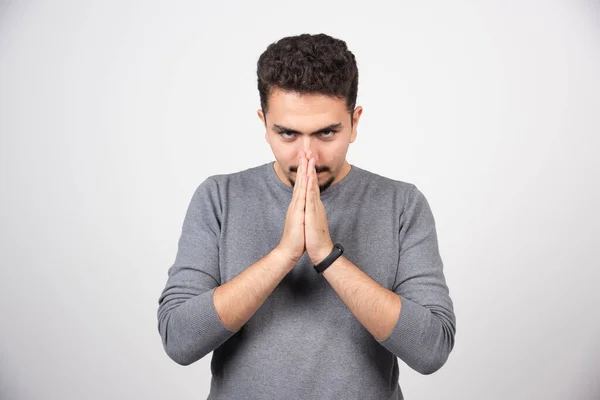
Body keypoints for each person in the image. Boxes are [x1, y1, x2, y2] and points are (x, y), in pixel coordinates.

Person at [157, 33, 456, 400]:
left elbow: (431, 350)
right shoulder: (219, 197)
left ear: (355, 122)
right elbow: (179, 340)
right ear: (264, 123)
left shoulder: (402, 204)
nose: (307, 155)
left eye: (327, 132)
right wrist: (283, 255)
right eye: (287, 133)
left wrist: (327, 257)